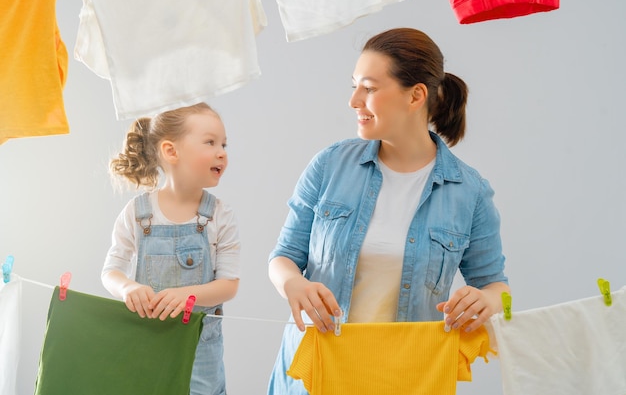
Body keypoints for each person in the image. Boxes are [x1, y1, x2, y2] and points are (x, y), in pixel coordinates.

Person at [267, 28, 510, 394]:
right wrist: (292, 283)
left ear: (415, 96)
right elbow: (283, 257)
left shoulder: (469, 191)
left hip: (407, 378)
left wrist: (486, 300)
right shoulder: (330, 166)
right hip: (315, 373)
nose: (353, 101)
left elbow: (496, 287)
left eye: (368, 88)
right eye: (354, 86)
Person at [103, 102, 240, 395]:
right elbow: (111, 271)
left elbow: (228, 285)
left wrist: (185, 296)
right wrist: (127, 288)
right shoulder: (137, 213)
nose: (222, 152)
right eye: (210, 142)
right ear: (171, 151)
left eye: (224, 144)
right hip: (145, 345)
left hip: (200, 352)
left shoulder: (220, 216)